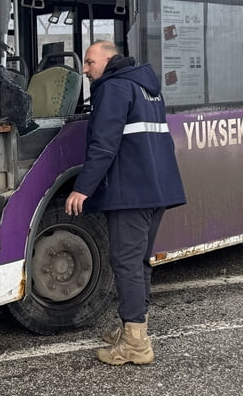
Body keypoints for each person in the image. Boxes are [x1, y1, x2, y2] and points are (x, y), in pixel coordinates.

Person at [65, 40, 185, 365]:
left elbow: (104, 144)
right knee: (139, 261)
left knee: (126, 263)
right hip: (156, 189)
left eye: (90, 62)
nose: (85, 69)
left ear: (109, 58)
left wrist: (82, 189)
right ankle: (133, 329)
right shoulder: (147, 87)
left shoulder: (114, 88)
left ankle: (136, 344)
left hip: (131, 191)